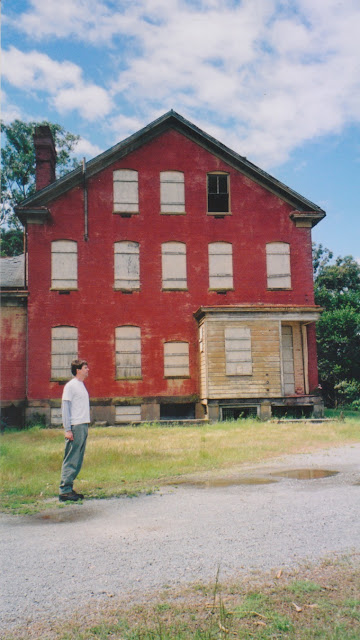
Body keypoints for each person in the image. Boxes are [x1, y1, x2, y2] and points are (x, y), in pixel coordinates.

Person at [59, 359, 90, 502]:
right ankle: (64, 491)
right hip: (75, 426)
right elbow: (66, 408)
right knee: (71, 458)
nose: (88, 369)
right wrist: (67, 429)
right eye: (85, 367)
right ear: (78, 370)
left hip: (83, 425)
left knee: (77, 459)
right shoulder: (70, 386)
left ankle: (69, 488)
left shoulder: (81, 385)